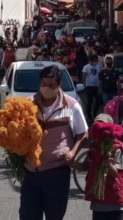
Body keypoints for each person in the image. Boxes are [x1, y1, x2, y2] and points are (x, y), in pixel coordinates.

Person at [20, 65, 88, 220]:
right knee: (27, 215)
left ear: (59, 85)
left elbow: (83, 133)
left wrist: (72, 152)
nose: (46, 88)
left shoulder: (72, 106)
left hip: (57, 173)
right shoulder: (28, 104)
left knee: (55, 216)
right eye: (43, 84)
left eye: (51, 85)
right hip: (31, 172)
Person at [84, 114, 123, 220]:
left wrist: (107, 161)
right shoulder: (94, 146)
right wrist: (70, 161)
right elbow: (85, 166)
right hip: (98, 203)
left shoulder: (116, 148)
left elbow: (115, 173)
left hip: (114, 203)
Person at [83, 54, 102, 122]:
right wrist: (84, 85)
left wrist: (100, 86)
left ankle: (95, 113)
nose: (95, 61)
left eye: (96, 60)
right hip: (89, 86)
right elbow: (84, 76)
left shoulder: (99, 66)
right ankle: (89, 115)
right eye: (94, 60)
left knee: (98, 101)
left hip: (97, 86)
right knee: (89, 101)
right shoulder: (86, 67)